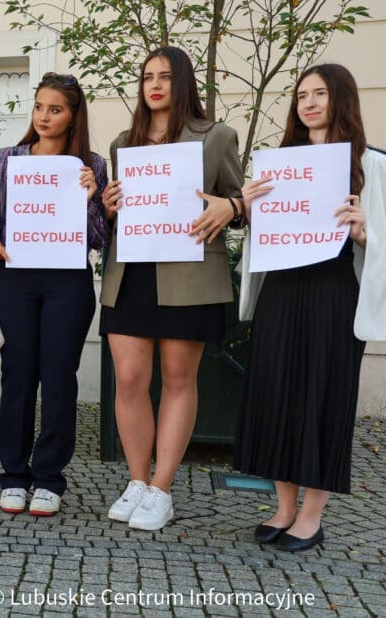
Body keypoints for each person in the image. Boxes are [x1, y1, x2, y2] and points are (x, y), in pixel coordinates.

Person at [235, 64, 385, 552]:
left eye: (320, 93)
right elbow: (264, 232)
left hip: (335, 289)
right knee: (275, 389)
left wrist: (364, 233)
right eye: (302, 95)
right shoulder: (280, 163)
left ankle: (313, 515)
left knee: (322, 394)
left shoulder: (373, 165)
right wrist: (252, 208)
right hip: (282, 287)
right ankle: (282, 506)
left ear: (342, 99)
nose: (309, 103)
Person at [99, 46, 244, 530]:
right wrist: (110, 204)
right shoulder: (124, 142)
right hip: (132, 272)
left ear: (183, 83)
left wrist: (233, 207)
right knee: (129, 380)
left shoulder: (217, 137)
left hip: (190, 271)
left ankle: (162, 489)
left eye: (164, 76)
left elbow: (241, 204)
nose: (154, 85)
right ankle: (137, 482)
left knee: (179, 380)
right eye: (147, 77)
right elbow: (116, 214)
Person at [0, 73, 109, 516]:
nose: (44, 117)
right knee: (17, 374)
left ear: (73, 116)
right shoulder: (6, 160)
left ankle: (50, 476)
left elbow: (98, 238)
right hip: (16, 278)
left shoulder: (89, 163)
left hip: (67, 282)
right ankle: (14, 475)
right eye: (39, 107)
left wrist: (92, 198)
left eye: (55, 109)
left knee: (58, 378)